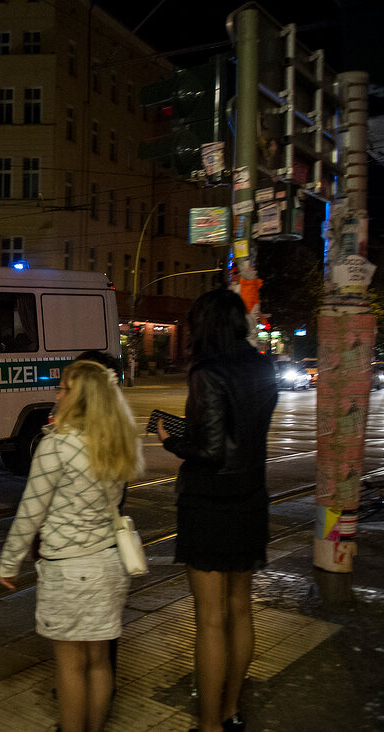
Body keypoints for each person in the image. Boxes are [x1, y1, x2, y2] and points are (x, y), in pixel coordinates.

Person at [0, 359, 144, 732]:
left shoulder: (57, 447)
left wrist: (9, 563)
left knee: (70, 666)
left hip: (70, 570)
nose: (56, 394)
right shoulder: (115, 444)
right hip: (109, 567)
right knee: (98, 662)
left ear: (78, 397)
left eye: (62, 388)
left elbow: (30, 513)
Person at [156, 288, 277, 732]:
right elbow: (242, 434)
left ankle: (208, 725)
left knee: (209, 620)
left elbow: (209, 448)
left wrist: (172, 441)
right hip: (250, 500)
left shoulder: (207, 371)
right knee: (240, 611)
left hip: (209, 504)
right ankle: (230, 711)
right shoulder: (262, 366)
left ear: (205, 325)